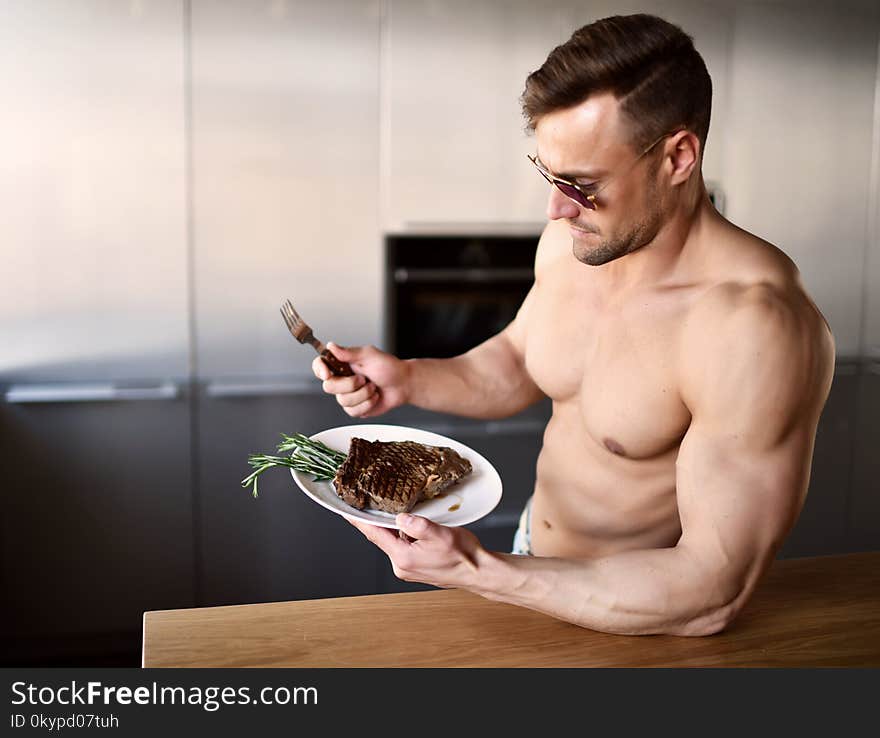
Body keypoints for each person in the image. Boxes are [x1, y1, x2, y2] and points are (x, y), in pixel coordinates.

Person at [312, 14, 835, 636]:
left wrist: (481, 570)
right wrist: (407, 378)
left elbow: (713, 588)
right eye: (550, 175)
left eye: (583, 185)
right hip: (534, 561)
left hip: (648, 615)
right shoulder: (574, 240)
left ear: (678, 156)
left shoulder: (754, 328)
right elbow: (518, 357)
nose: (556, 209)